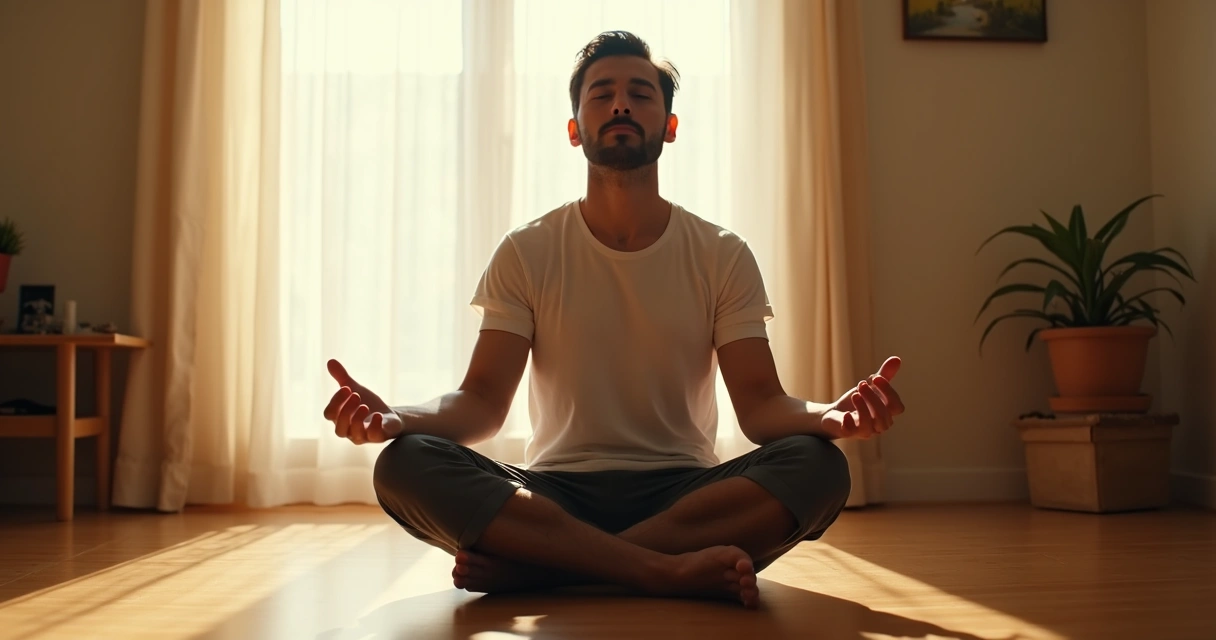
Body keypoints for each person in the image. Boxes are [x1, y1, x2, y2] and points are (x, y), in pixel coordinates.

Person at [323, 31, 904, 609]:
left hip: (686, 494)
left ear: (669, 127)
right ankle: (656, 569)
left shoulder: (722, 253)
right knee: (405, 463)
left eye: (640, 94)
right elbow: (480, 402)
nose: (621, 103)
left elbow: (760, 407)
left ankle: (547, 573)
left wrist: (830, 415)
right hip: (553, 494)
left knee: (820, 466)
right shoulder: (528, 250)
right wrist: (397, 416)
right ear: (575, 130)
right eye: (602, 94)